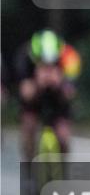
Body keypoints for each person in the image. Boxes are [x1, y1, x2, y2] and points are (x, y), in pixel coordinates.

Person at [16, 29, 81, 161]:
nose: (47, 66)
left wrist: (60, 83)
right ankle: (29, 163)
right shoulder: (25, 56)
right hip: (35, 100)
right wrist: (38, 83)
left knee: (63, 137)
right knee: (29, 126)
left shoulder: (69, 56)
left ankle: (63, 168)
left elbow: (70, 93)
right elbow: (26, 94)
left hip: (58, 100)